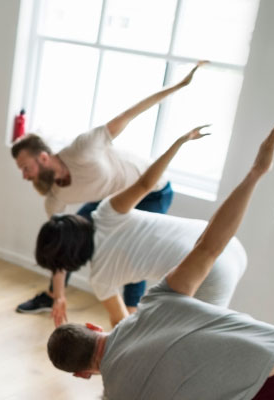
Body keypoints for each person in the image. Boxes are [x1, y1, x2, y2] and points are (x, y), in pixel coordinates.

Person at [47, 117, 274, 399]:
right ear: (93, 327)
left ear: (82, 375)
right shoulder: (158, 298)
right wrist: (255, 173)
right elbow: (208, 246)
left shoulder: (120, 390)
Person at [12, 61, 209, 314]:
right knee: (67, 235)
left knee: (134, 251)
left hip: (151, 190)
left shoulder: (82, 149)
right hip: (111, 201)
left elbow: (129, 114)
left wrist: (179, 86)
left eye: (26, 167)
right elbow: (59, 249)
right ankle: (53, 296)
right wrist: (61, 297)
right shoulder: (55, 198)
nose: (24, 176)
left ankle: (131, 311)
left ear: (43, 157)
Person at [35, 124, 247, 327]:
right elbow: (146, 183)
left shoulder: (101, 278)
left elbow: (122, 324)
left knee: (193, 346)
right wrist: (179, 143)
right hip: (225, 240)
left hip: (211, 272)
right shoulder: (107, 212)